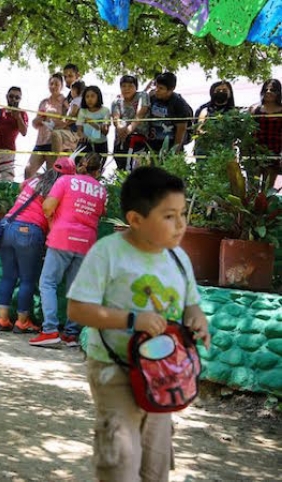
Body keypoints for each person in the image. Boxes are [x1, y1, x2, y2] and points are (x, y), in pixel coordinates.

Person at [67, 166, 210, 482]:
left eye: (183, 213)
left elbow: (191, 303)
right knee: (119, 463)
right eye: (169, 216)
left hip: (162, 377)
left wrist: (197, 318)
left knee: (155, 468)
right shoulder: (108, 254)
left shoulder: (177, 257)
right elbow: (77, 309)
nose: (181, 224)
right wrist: (132, 319)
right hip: (114, 372)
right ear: (135, 219)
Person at [29, 153, 107, 347]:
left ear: (80, 165)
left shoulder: (66, 181)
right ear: (98, 171)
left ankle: (50, 331)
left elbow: (48, 206)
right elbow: (100, 213)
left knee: (48, 283)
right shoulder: (101, 191)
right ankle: (71, 334)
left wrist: (54, 220)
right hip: (86, 243)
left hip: (62, 238)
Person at [0, 157, 75, 333]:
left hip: (7, 227)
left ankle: (2, 319)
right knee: (27, 279)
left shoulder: (37, 179)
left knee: (8, 276)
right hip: (29, 231)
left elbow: (20, 186)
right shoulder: (58, 188)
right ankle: (22, 322)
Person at [27, 73, 68, 176]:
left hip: (54, 143)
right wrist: (39, 119)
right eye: (51, 84)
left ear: (61, 86)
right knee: (28, 170)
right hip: (40, 142)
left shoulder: (65, 102)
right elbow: (34, 124)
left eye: (56, 84)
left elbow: (67, 122)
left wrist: (53, 122)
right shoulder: (44, 102)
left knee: (51, 175)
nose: (53, 86)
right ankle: (27, 192)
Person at [146, 72, 193, 153]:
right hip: (153, 144)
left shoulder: (179, 104)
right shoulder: (152, 97)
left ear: (171, 90)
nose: (157, 90)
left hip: (171, 144)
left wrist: (175, 151)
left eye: (161, 88)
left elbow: (181, 129)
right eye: (156, 86)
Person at [111, 75, 150, 170]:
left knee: (138, 170)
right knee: (121, 168)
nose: (126, 89)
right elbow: (116, 118)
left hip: (139, 141)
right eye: (123, 86)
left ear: (136, 87)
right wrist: (120, 128)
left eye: (130, 86)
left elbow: (140, 114)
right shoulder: (116, 101)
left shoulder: (142, 96)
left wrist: (128, 130)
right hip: (121, 140)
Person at [0, 87, 29, 182]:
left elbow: (24, 132)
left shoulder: (22, 113)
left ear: (20, 99)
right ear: (6, 96)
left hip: (8, 151)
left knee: (7, 180)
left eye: (17, 97)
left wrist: (18, 117)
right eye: (11, 96)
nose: (13, 99)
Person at [249, 79, 282, 187]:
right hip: (255, 154)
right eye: (266, 89)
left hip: (274, 154)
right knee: (252, 188)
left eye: (272, 90)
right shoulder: (254, 109)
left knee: (267, 190)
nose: (268, 92)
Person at [76, 86, 111, 156]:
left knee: (97, 166)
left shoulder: (105, 111)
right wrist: (82, 135)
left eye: (92, 96)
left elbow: (105, 132)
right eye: (87, 97)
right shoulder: (82, 111)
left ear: (98, 97)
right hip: (85, 144)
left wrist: (93, 124)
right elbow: (79, 130)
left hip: (100, 145)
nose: (89, 99)